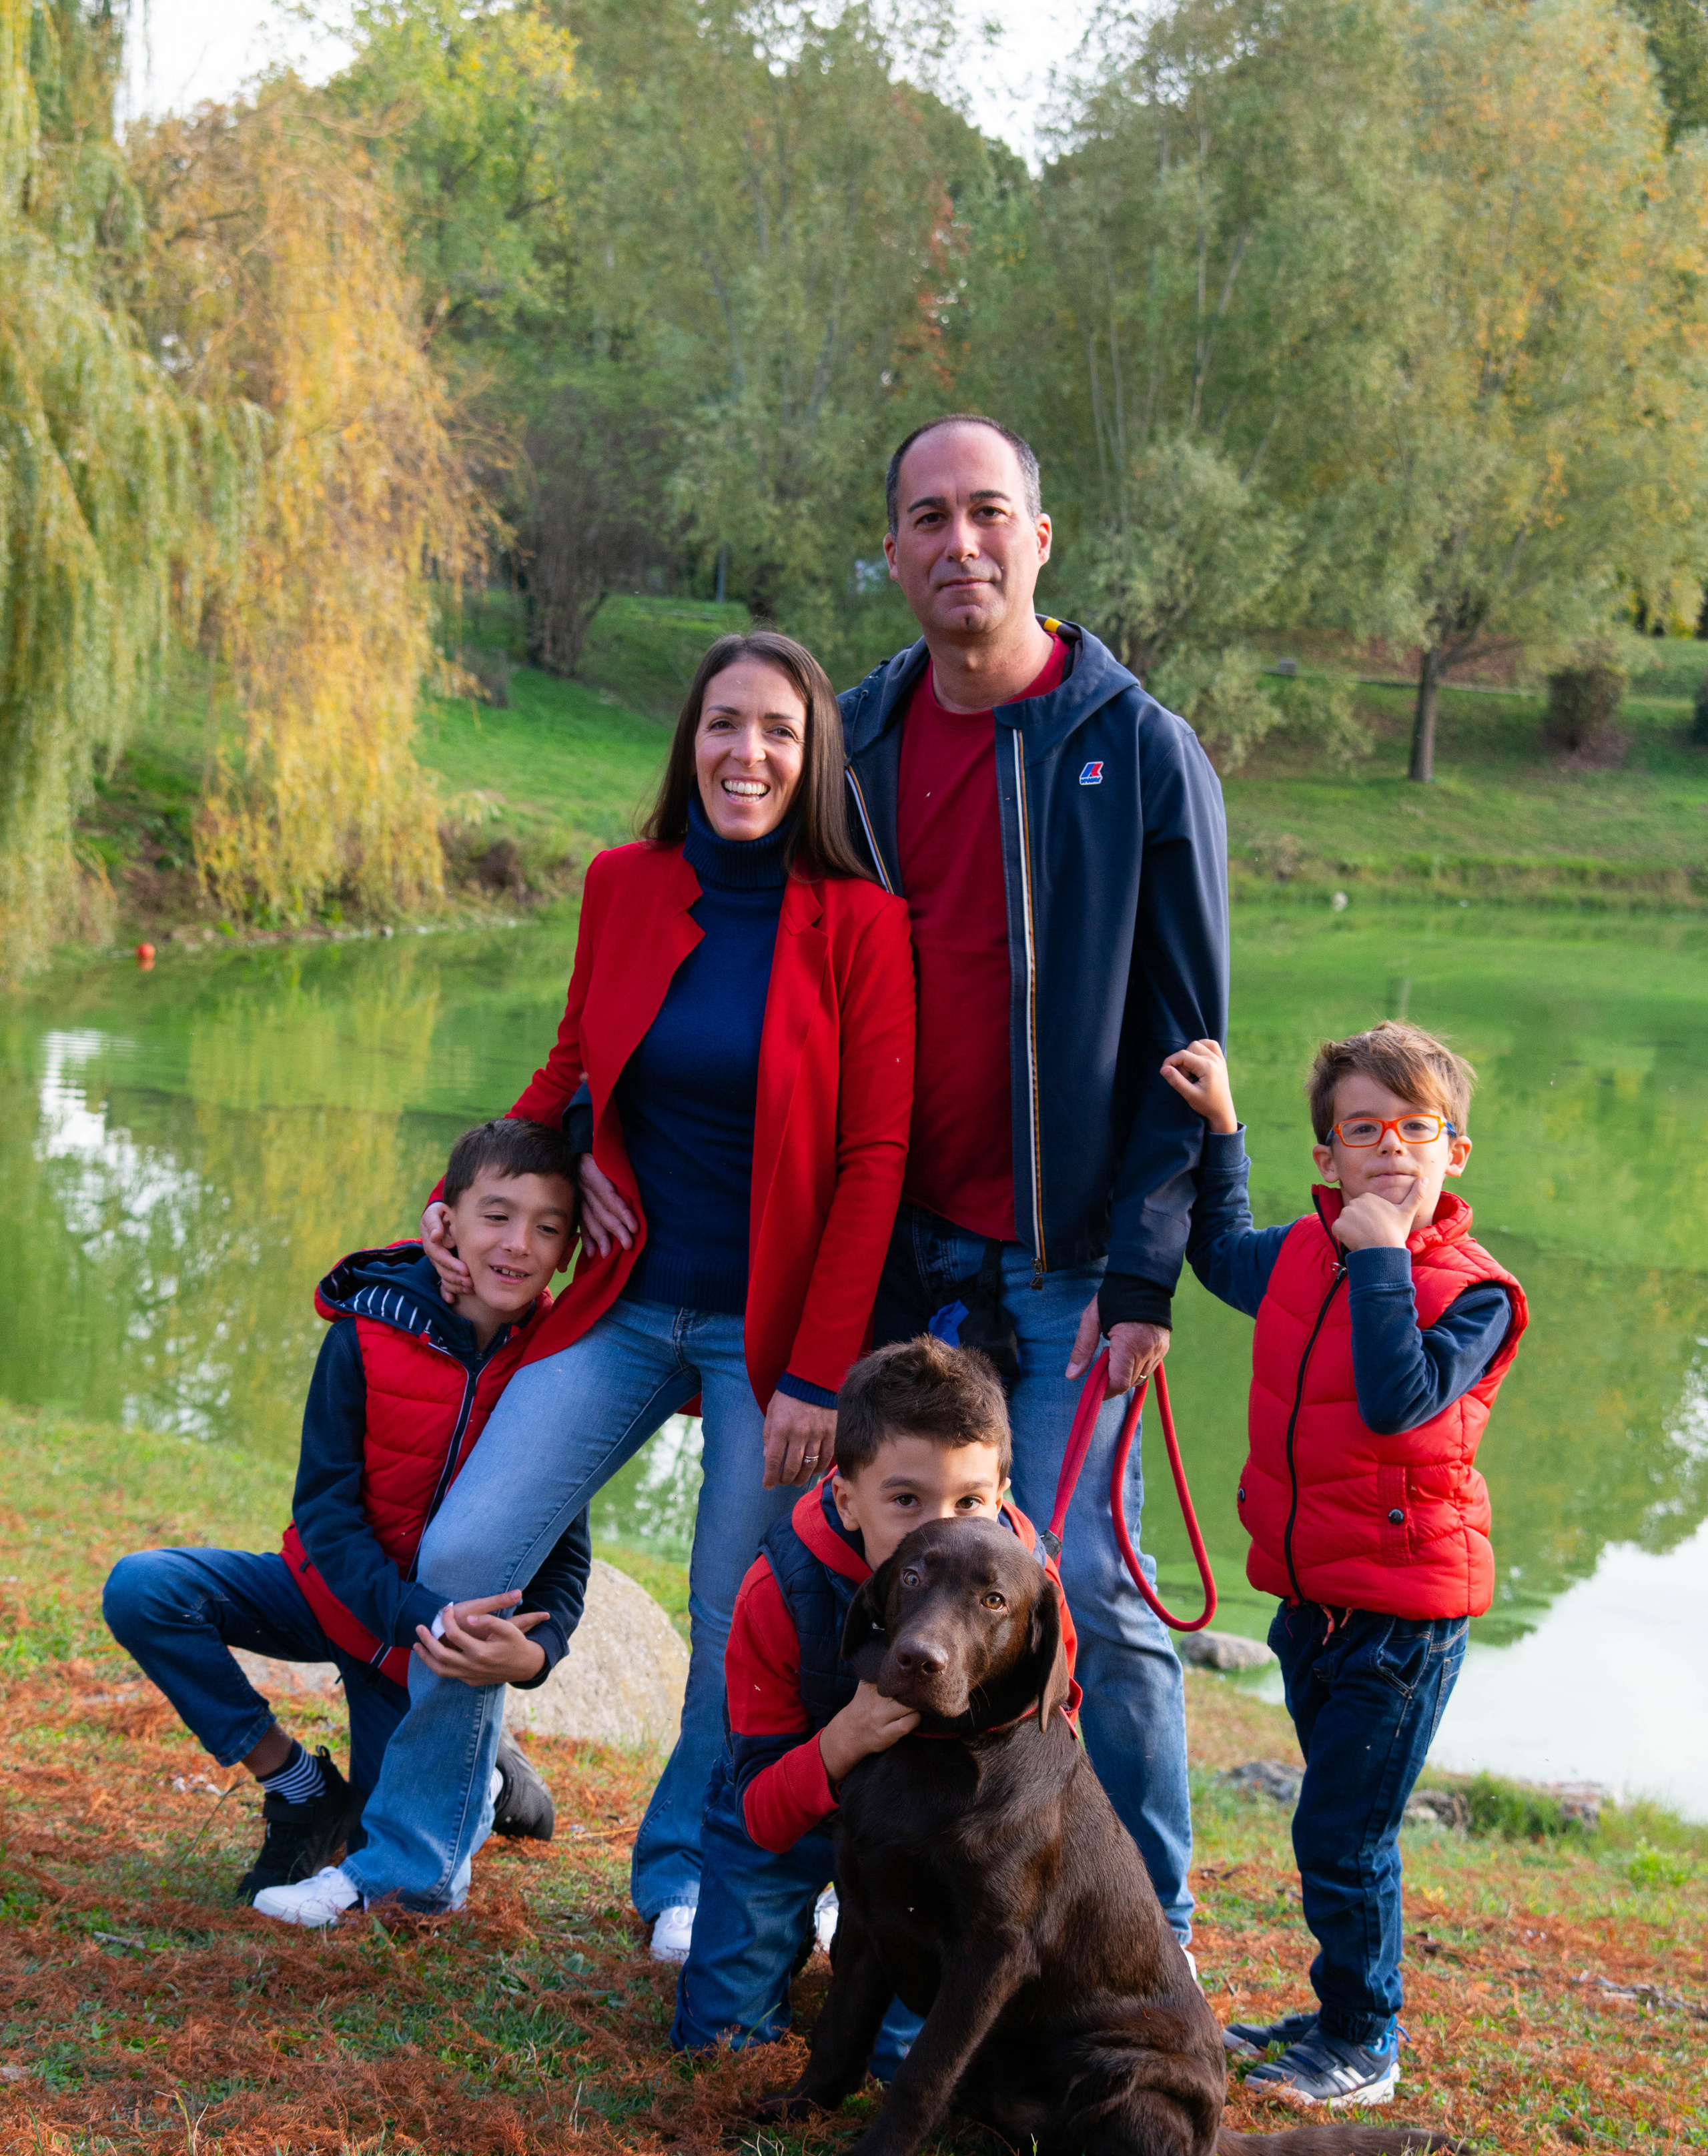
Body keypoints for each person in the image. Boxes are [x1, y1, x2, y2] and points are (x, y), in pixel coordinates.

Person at [280, 632, 915, 1944]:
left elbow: (872, 1157)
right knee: (463, 1550)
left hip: (771, 1333)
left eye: (779, 734)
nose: (748, 754)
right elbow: (575, 1059)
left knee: (736, 1607)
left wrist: (814, 1375)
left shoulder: (859, 922)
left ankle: (686, 1872)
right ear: (689, 743)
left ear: (814, 762)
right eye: (724, 725)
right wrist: (489, 1191)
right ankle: (412, 1853)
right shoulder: (626, 884)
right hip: (622, 1300)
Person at [841, 410, 1228, 1949]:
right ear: (892, 551)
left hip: (1069, 1260)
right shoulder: (857, 734)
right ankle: (900, 1905)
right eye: (926, 518)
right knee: (891, 1575)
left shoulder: (1133, 745)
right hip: (904, 1251)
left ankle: (1154, 1928)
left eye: (986, 512)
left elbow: (1188, 1039)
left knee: (1078, 1576)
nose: (958, 543)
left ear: (1039, 537)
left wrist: (1145, 1269)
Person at [1166, 1020, 1528, 2105]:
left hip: (1406, 1616)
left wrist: (1377, 1253)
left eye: (1418, 1128)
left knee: (1347, 1830)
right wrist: (1222, 1128)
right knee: (1329, 1816)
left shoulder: (1477, 1293)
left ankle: (1366, 2045)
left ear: (1455, 1152)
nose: (1391, 1149)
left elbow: (1398, 1400)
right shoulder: (1296, 1255)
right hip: (1313, 1601)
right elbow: (1216, 1246)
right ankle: (1335, 2014)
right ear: (1325, 1155)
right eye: (1364, 1129)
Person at [101, 1117, 586, 1916]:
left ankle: (481, 1756)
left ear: (567, 1250)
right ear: (447, 1219)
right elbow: (324, 1512)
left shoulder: (563, 1368)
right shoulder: (372, 1327)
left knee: (387, 1872)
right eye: (496, 1215)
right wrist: (416, 1615)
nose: (518, 1245)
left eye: (547, 1227)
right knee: (146, 1589)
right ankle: (298, 1789)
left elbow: (566, 1554)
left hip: (426, 1653)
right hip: (335, 1597)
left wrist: (535, 1655)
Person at [675, 1333, 1078, 2065]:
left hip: (934, 1847)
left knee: (902, 2063)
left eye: (969, 1502)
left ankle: (871, 1934)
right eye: (904, 1500)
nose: (940, 1530)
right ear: (846, 1498)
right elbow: (761, 1815)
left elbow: (1051, 1752)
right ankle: (794, 1925)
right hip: (794, 1816)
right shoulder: (778, 1591)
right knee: (720, 2046)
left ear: (1002, 1499)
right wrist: (845, 1739)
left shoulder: (1029, 1594)